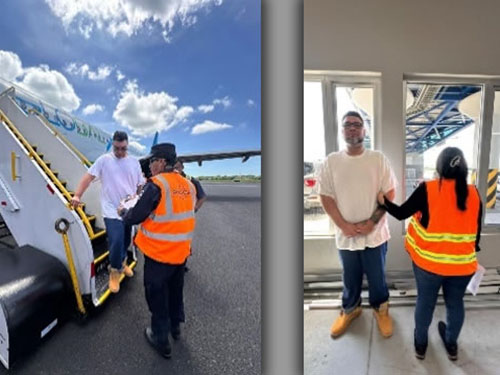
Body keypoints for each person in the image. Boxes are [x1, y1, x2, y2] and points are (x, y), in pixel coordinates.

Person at [378, 147, 482, 361]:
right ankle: (452, 344)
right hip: (462, 266)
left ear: (439, 167)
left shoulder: (429, 189)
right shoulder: (474, 192)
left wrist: (383, 201)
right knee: (456, 304)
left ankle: (421, 344)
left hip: (429, 265)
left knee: (425, 302)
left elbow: (400, 213)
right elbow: (476, 233)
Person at [318, 110, 397, 339]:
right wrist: (343, 225)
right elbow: (325, 196)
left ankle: (381, 309)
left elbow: (390, 192)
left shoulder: (377, 159)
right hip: (346, 234)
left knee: (377, 278)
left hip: (375, 234)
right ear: (342, 131)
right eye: (347, 124)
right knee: (350, 278)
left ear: (364, 130)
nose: (352, 127)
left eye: (357, 124)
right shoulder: (331, 162)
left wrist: (373, 222)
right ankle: (351, 310)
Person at [119, 143, 197, 359]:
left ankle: (160, 339)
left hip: (159, 254)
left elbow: (136, 217)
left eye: (152, 161)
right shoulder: (188, 185)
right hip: (180, 253)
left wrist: (123, 211)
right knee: (175, 292)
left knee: (157, 295)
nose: (150, 166)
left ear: (162, 162)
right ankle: (176, 328)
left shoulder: (156, 185)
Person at [70, 131, 144, 293]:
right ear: (113, 144)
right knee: (116, 240)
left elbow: (139, 183)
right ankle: (114, 271)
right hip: (111, 210)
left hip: (128, 209)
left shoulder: (134, 162)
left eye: (123, 148)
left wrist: (137, 196)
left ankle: (123, 262)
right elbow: (88, 178)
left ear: (127, 145)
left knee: (126, 240)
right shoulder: (104, 160)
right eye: (117, 148)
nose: (120, 152)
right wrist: (77, 195)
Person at [174, 160, 207, 272]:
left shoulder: (191, 181)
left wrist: (195, 209)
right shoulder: (169, 180)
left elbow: (202, 196)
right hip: (171, 217)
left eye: (178, 167)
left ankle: (182, 264)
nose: (176, 170)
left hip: (185, 219)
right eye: (174, 167)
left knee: (184, 243)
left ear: (182, 167)